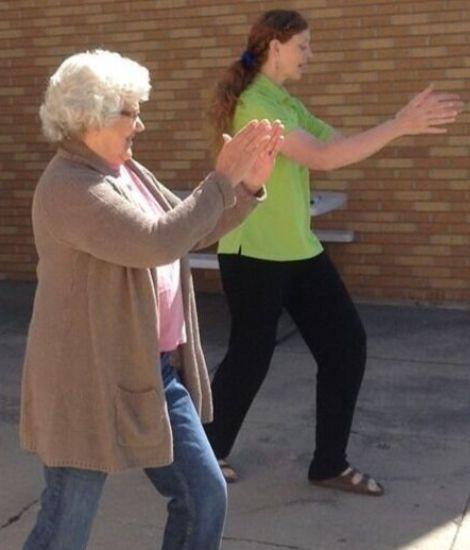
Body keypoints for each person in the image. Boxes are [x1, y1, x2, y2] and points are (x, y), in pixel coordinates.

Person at [20, 49, 282, 550]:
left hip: (152, 372)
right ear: (89, 115)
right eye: (130, 112)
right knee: (65, 527)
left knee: (204, 496)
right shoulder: (70, 186)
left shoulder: (126, 171)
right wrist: (221, 179)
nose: (140, 124)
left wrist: (244, 187)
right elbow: (155, 241)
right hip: (84, 380)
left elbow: (185, 229)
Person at [205, 9, 463, 496]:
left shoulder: (286, 102)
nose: (310, 55)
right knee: (250, 356)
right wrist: (398, 124)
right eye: (303, 46)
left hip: (298, 250)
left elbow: (337, 144)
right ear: (275, 46)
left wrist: (398, 124)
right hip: (254, 250)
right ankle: (207, 454)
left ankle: (329, 463)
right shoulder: (255, 104)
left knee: (345, 345)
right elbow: (321, 158)